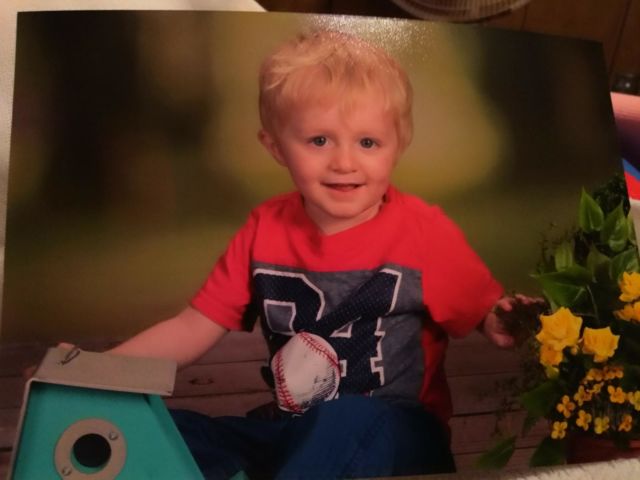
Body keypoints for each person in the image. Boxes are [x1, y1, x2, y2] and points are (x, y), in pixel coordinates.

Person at [103, 29, 522, 479]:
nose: (344, 162)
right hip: (294, 434)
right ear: (276, 147)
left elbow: (485, 310)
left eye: (367, 142)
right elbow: (193, 326)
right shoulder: (265, 229)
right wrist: (99, 373)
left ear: (399, 143)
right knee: (163, 431)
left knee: (345, 419)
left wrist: (502, 318)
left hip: (398, 433)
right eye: (319, 140)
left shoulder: (423, 232)